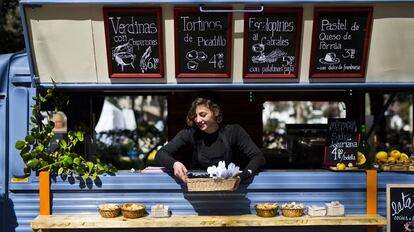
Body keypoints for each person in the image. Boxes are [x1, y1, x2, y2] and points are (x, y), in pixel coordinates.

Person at [155, 96, 266, 182]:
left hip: (229, 191)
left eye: (202, 115)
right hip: (198, 189)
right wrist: (174, 164)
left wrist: (242, 176)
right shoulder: (189, 134)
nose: (198, 120)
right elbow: (160, 154)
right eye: (195, 116)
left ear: (215, 112)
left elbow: (258, 157)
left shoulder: (234, 131)